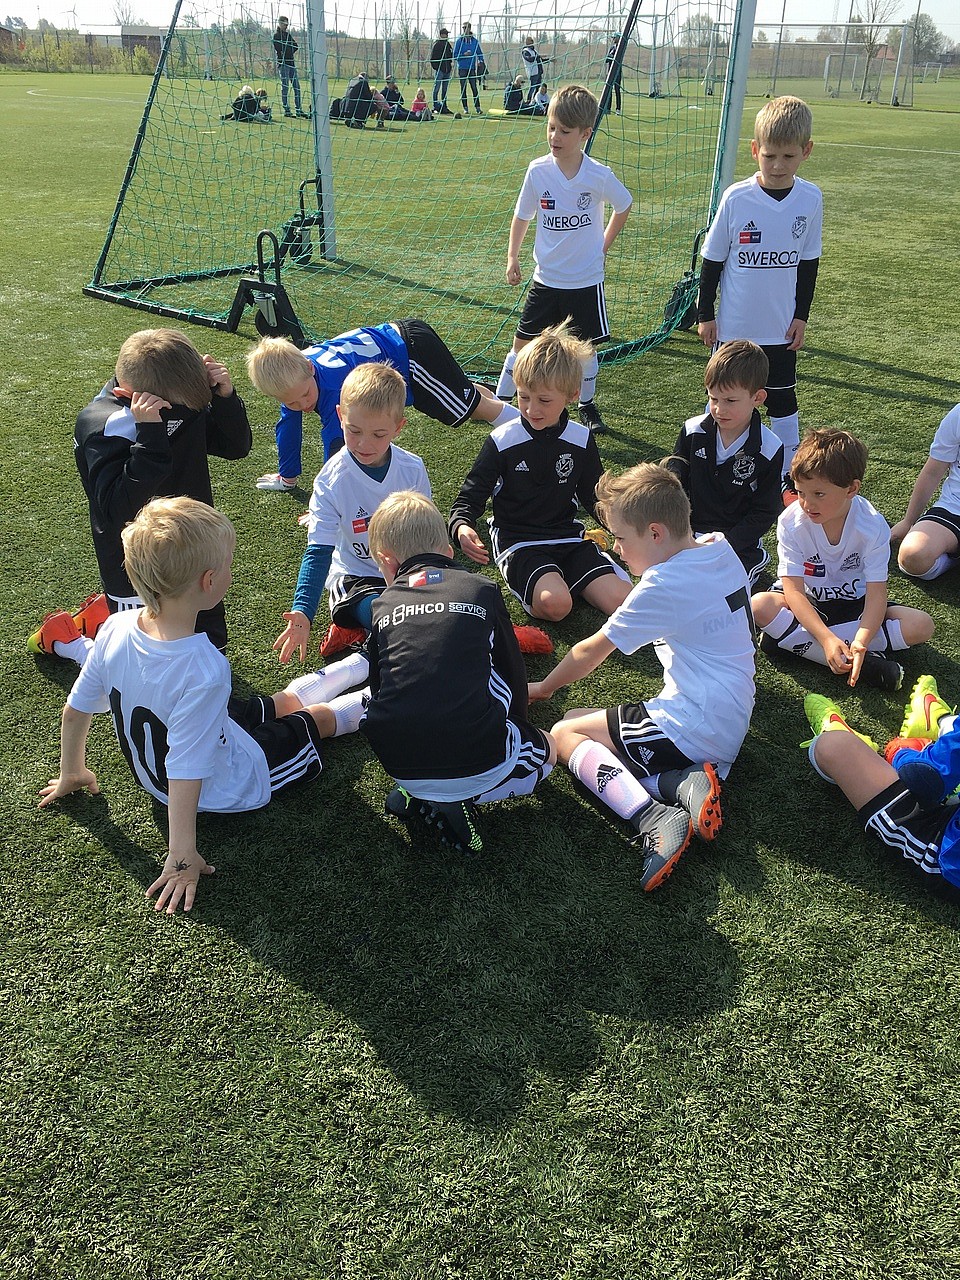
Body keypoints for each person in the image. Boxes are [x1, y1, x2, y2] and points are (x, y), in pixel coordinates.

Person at [38, 497, 369, 915]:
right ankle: (377, 689)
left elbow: (74, 710)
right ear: (210, 581)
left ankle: (361, 663)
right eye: (228, 565)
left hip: (196, 745)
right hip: (232, 783)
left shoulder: (115, 627)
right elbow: (186, 768)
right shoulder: (204, 668)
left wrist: (72, 771)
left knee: (274, 704)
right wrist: (181, 856)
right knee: (312, 721)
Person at [528, 463, 756, 891]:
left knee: (563, 735)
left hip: (696, 722)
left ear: (655, 533)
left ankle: (654, 816)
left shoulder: (664, 584)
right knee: (580, 718)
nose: (615, 548)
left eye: (620, 537)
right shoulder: (717, 547)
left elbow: (590, 651)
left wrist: (542, 687)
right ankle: (678, 782)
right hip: (730, 712)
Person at [29, 329, 251, 665]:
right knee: (139, 659)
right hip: (137, 562)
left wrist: (224, 399)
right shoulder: (104, 425)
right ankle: (66, 640)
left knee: (209, 645)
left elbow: (235, 447)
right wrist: (151, 437)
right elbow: (117, 509)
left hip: (193, 543)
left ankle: (98, 615)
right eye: (178, 408)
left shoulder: (177, 398)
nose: (187, 411)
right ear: (134, 396)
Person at [360, 490, 556, 854]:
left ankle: (416, 791)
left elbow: (380, 687)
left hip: (397, 760)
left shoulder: (382, 605)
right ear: (448, 551)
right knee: (550, 753)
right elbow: (511, 670)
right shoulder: (482, 589)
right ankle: (455, 799)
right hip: (477, 753)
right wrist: (518, 723)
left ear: (387, 561)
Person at [450, 323, 632, 624]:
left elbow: (595, 496)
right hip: (520, 542)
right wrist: (462, 526)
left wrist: (622, 530)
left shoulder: (581, 440)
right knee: (556, 605)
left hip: (568, 537)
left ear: (572, 394)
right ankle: (552, 584)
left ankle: (568, 577)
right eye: (524, 397)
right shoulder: (503, 441)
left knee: (622, 601)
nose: (531, 409)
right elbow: (470, 496)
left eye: (544, 400)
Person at [697, 96, 822, 485]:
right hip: (735, 330)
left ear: (806, 151)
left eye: (788, 156)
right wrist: (705, 315)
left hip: (780, 329)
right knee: (726, 401)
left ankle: (787, 476)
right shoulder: (737, 198)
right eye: (770, 156)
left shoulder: (810, 199)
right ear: (755, 151)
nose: (778, 165)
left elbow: (808, 264)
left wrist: (801, 316)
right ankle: (713, 466)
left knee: (782, 401)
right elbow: (712, 261)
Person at [496, 83, 633, 435]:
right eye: (551, 127)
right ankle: (501, 403)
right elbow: (522, 216)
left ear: (585, 134)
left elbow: (624, 204)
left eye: (565, 131)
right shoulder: (538, 171)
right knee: (522, 344)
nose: (555, 137)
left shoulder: (598, 175)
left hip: (585, 281)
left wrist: (603, 244)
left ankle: (586, 405)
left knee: (585, 352)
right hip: (546, 279)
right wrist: (512, 257)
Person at [751, 428, 934, 689]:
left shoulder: (872, 526)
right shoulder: (791, 522)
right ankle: (864, 665)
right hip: (807, 603)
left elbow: (876, 596)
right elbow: (794, 592)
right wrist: (826, 639)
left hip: (854, 606)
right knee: (759, 605)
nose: (806, 504)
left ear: (852, 489)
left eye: (819, 494)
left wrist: (862, 640)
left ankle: (791, 642)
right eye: (800, 492)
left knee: (922, 625)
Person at [274, 363, 432, 664]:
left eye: (378, 434)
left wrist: (425, 580)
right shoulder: (331, 480)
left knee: (447, 596)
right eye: (354, 431)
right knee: (390, 613)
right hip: (357, 577)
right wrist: (303, 611)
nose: (363, 444)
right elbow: (319, 550)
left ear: (398, 428)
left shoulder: (412, 469)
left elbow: (424, 535)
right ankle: (365, 626)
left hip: (406, 571)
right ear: (340, 416)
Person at [246, 321, 515, 491]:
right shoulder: (295, 375)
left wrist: (331, 498)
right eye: (291, 401)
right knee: (464, 396)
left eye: (305, 395)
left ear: (310, 368)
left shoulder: (333, 388)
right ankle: (478, 398)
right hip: (397, 344)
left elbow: (338, 445)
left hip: (412, 353)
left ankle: (525, 431)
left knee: (470, 409)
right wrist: (287, 477)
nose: (302, 404)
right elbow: (288, 426)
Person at [803, 675, 960, 899]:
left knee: (833, 745)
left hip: (942, 846)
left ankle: (932, 728)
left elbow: (923, 778)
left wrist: (899, 752)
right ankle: (940, 723)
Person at [667, 340, 783, 585]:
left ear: (757, 397)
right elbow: (674, 480)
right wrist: (683, 532)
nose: (719, 409)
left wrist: (729, 542)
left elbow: (765, 511)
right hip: (687, 532)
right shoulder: (692, 431)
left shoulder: (769, 448)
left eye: (730, 401)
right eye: (713, 399)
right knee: (671, 580)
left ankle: (753, 560)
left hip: (736, 542)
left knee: (720, 586)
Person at [890, 403, 960, 583]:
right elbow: (932, 472)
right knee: (912, 556)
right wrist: (908, 521)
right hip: (954, 507)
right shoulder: (958, 415)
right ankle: (951, 558)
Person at [273, 15, 307, 118]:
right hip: (283, 64)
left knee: (297, 87)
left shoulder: (288, 35)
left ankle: (298, 109)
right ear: (280, 23)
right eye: (284, 24)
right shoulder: (276, 36)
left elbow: (295, 46)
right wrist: (287, 48)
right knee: (285, 87)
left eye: (287, 24)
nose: (286, 26)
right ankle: (287, 110)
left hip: (291, 64)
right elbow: (279, 48)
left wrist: (288, 49)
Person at [453, 21, 484, 115]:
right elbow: (455, 55)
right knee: (463, 88)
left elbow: (480, 53)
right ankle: (465, 108)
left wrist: (480, 60)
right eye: (463, 28)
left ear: (469, 28)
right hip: (462, 68)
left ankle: (478, 107)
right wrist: (464, 55)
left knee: (474, 88)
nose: (464, 29)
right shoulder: (459, 41)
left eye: (465, 27)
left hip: (472, 68)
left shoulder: (474, 41)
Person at [430, 27, 454, 114]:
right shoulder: (437, 45)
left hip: (447, 71)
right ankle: (435, 106)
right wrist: (437, 68)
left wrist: (450, 66)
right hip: (440, 70)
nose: (447, 35)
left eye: (447, 34)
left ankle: (444, 106)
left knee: (444, 90)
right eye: (445, 34)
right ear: (441, 35)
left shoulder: (448, 45)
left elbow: (450, 56)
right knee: (436, 88)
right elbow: (432, 59)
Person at [521, 35, 549, 104]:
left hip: (538, 72)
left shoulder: (534, 51)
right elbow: (530, 59)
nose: (532, 42)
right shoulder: (525, 51)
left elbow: (540, 60)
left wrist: (549, 60)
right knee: (532, 87)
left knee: (538, 88)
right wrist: (538, 56)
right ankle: (528, 101)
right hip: (533, 72)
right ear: (527, 42)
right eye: (531, 41)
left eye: (532, 41)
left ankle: (535, 101)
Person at [604, 40, 623, 113]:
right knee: (609, 90)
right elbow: (606, 60)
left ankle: (618, 109)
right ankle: (608, 108)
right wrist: (609, 57)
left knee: (617, 90)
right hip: (610, 72)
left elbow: (619, 59)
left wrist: (613, 56)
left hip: (617, 72)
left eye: (615, 37)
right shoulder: (612, 48)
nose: (614, 39)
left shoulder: (620, 48)